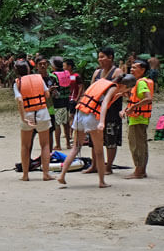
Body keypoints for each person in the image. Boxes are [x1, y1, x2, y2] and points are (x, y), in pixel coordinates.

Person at [58, 75, 135, 188]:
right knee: (99, 151)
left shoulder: (102, 82)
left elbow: (99, 98)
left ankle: (62, 176)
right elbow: (104, 104)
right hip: (92, 117)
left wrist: (120, 94)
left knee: (76, 147)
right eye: (128, 89)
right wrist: (102, 122)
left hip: (80, 113)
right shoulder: (113, 88)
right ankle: (101, 182)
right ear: (124, 85)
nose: (127, 91)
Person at [12, 60, 53, 182]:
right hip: (42, 112)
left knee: (25, 145)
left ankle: (25, 175)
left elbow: (19, 100)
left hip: (28, 113)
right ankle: (46, 174)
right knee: (45, 144)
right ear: (29, 69)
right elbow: (47, 95)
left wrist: (23, 117)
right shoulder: (39, 79)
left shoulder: (17, 83)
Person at [86, 47, 124, 176]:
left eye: (103, 57)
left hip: (111, 110)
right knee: (94, 139)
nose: (100, 59)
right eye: (99, 57)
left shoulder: (117, 72)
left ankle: (108, 166)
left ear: (110, 57)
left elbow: (120, 90)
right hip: (95, 109)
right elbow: (91, 89)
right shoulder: (96, 73)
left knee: (110, 138)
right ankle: (94, 165)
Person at [124, 59, 154, 179]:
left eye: (135, 67)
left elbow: (148, 98)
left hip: (138, 119)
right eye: (131, 67)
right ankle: (141, 170)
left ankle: (139, 171)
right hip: (137, 118)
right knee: (139, 144)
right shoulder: (138, 83)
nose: (131, 69)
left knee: (137, 145)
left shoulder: (141, 83)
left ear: (142, 70)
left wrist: (133, 108)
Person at [49, 57, 75, 150]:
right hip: (66, 102)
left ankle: (58, 145)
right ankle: (68, 143)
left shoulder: (53, 75)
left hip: (57, 102)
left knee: (57, 124)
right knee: (66, 123)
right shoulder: (66, 73)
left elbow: (52, 88)